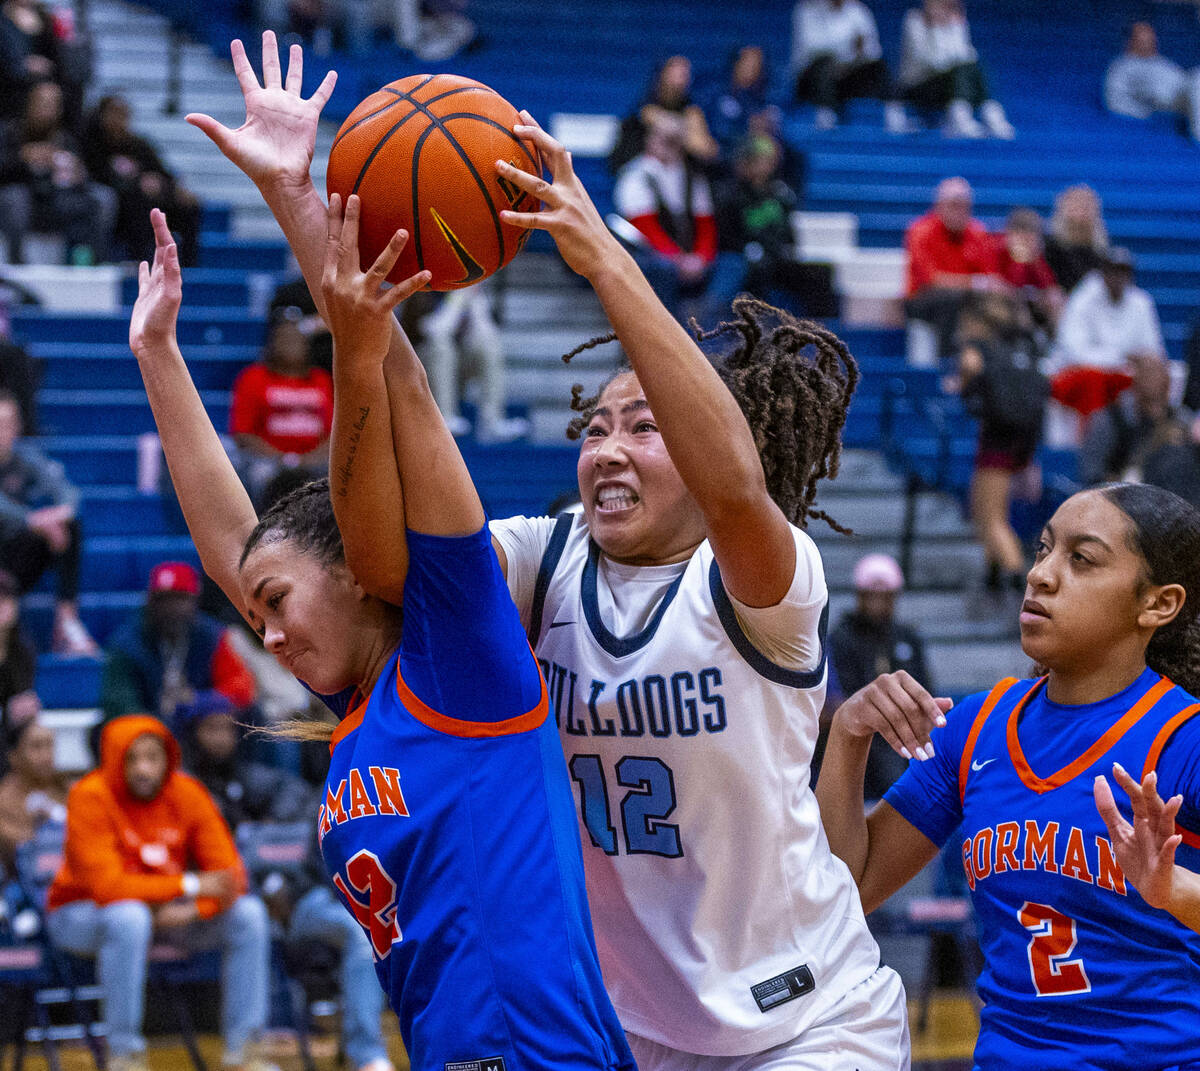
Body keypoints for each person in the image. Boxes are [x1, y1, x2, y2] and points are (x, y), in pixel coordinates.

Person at [188, 33, 906, 1068]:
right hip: (624, 1033)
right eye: (596, 427)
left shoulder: (762, 580)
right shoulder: (547, 558)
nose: (608, 448)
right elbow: (393, 502)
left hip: (807, 1021)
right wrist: (304, 207)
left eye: (644, 426)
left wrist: (600, 253)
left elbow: (735, 484)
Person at [136, 33, 639, 1069]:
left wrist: (301, 207)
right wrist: (156, 355)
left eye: (274, 602)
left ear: (356, 572)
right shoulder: (354, 705)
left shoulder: (459, 657)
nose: (261, 627)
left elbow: (402, 397)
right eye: (257, 610)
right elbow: (233, 539)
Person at [817, 482, 1200, 1069]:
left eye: (1082, 559)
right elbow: (851, 886)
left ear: (1158, 604)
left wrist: (1174, 892)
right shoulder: (976, 729)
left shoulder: (1185, 738)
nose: (1041, 574)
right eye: (1044, 549)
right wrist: (846, 737)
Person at [47, 715, 275, 1071]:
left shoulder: (187, 792)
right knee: (129, 917)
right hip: (80, 913)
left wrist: (195, 909)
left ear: (168, 758)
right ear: (113, 759)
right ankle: (125, 1055)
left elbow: (231, 876)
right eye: (132, 759)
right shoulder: (88, 796)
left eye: (152, 758)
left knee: (248, 914)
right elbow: (109, 888)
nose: (143, 769)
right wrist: (189, 886)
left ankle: (245, 1051)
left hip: (170, 913)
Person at [954, 290, 1049, 608]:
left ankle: (1024, 589)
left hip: (995, 441)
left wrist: (964, 383)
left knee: (993, 519)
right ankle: (994, 578)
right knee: (984, 515)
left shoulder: (978, 351)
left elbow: (968, 390)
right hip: (1015, 441)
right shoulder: (1020, 348)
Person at [98, 561, 257, 725]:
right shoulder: (127, 644)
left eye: (180, 599)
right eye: (164, 600)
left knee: (250, 717)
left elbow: (241, 690)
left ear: (195, 601)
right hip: (148, 727)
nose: (171, 608)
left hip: (199, 724)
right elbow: (119, 703)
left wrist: (197, 702)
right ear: (150, 601)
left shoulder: (212, 636)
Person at [0, 388, 96, 656]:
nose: (1, 431)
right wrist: (34, 520)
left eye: (7, 424)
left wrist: (60, 513)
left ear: (17, 427)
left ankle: (67, 620)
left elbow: (68, 491)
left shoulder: (25, 458)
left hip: (14, 558)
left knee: (70, 527)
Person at [829, 554, 931, 800]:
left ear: (894, 597)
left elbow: (926, 690)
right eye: (871, 595)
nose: (878, 602)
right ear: (859, 595)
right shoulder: (841, 637)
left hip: (904, 739)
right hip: (860, 736)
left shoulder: (908, 637)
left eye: (885, 596)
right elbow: (836, 700)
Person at [612, 113, 728, 325]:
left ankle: (710, 333)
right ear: (650, 139)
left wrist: (701, 257)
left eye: (674, 139)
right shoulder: (638, 173)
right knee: (662, 269)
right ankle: (665, 328)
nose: (669, 144)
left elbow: (706, 225)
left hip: (689, 256)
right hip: (648, 254)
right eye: (663, 137)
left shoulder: (691, 176)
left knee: (730, 265)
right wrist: (679, 260)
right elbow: (644, 227)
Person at [715, 132, 836, 317]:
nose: (766, 165)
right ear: (746, 161)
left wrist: (787, 249)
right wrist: (749, 249)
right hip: (747, 260)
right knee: (756, 271)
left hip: (777, 257)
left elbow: (789, 234)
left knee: (820, 273)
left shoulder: (780, 193)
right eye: (760, 160)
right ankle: (753, 331)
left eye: (769, 161)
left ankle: (818, 334)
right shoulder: (730, 194)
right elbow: (726, 237)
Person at [229, 305, 334, 509]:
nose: (290, 344)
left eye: (295, 339)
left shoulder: (321, 379)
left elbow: (334, 434)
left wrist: (305, 461)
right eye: (284, 339)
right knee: (259, 473)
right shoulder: (253, 377)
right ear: (272, 343)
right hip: (267, 461)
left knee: (341, 474)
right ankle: (258, 529)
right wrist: (285, 460)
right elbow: (243, 435)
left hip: (315, 461)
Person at [0, 79, 115, 265]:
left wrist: (77, 173)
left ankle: (93, 264)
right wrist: (23, 158)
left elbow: (84, 177)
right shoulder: (10, 132)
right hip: (21, 197)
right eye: (43, 103)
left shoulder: (65, 139)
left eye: (54, 105)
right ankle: (17, 265)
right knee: (16, 199)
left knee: (102, 197)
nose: (48, 110)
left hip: (56, 199)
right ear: (30, 104)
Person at [82, 94, 202, 267]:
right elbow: (97, 177)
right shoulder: (92, 145)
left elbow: (164, 173)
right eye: (114, 113)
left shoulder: (138, 144)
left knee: (189, 205)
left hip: (151, 200)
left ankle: (189, 266)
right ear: (101, 116)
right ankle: (140, 260)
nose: (118, 120)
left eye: (123, 114)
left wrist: (173, 188)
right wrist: (139, 182)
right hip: (121, 206)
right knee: (138, 201)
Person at [1051, 247, 1165, 423]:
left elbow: (1153, 350)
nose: (1117, 278)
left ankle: (1153, 437)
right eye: (1112, 272)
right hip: (1078, 376)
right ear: (1102, 273)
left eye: (1122, 273)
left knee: (1155, 377)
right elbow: (1075, 352)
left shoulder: (1141, 303)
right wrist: (1122, 357)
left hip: (1123, 376)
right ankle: (1094, 440)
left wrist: (1140, 362)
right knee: (1094, 378)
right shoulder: (1083, 299)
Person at [176, 690, 313, 829]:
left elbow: (292, 787)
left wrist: (272, 821)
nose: (222, 738)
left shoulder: (240, 772)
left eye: (228, 729)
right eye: (212, 728)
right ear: (193, 732)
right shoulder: (182, 779)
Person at [413, 283, 530, 442]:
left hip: (459, 364)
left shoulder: (471, 290)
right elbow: (435, 331)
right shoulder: (423, 289)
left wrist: (475, 302)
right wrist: (456, 300)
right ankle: (445, 417)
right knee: (442, 346)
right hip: (422, 364)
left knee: (489, 344)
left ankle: (492, 422)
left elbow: (488, 333)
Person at [904, 176, 999, 361]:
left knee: (999, 303)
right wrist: (974, 283)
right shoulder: (920, 231)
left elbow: (990, 277)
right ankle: (946, 363)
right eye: (954, 205)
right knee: (950, 299)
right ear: (939, 205)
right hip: (923, 299)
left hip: (966, 297)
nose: (960, 212)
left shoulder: (977, 232)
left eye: (965, 206)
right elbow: (932, 280)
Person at [790, 0, 913, 133]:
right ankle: (825, 117)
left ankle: (896, 117)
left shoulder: (857, 10)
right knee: (824, 64)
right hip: (811, 78)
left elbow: (872, 50)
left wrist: (849, 61)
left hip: (847, 74)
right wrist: (848, 49)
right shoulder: (807, 9)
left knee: (878, 65)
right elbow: (812, 46)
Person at [897, 0, 1014, 138]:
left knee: (973, 68)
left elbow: (968, 56)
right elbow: (930, 61)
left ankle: (989, 114)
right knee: (962, 70)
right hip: (919, 87)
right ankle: (962, 117)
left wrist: (954, 26)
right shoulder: (914, 20)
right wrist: (936, 27)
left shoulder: (955, 21)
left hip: (950, 85)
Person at [609, 55, 720, 175]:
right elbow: (653, 117)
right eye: (677, 72)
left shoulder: (691, 108)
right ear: (663, 74)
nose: (682, 78)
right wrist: (685, 129)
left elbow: (705, 149)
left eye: (685, 73)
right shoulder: (646, 106)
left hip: (678, 178)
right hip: (640, 173)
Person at [1105, 22, 1200, 142]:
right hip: (1167, 100)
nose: (1150, 40)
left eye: (1151, 36)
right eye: (1143, 36)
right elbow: (1114, 100)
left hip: (1187, 93)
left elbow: (1183, 80)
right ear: (1131, 40)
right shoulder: (1122, 65)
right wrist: (1144, 113)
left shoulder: (1161, 61)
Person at [0, 702, 64, 877]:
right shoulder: (3, 801)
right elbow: (20, 851)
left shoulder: (69, 791)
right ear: (13, 756)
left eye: (49, 745)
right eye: (36, 747)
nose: (46, 756)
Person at [989, 208, 1062, 328]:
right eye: (1021, 234)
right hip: (1005, 299)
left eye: (1031, 235)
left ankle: (1057, 340)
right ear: (1010, 233)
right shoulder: (999, 251)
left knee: (1055, 298)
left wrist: (1035, 261)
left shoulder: (1037, 256)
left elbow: (1047, 284)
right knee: (1011, 299)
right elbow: (1011, 283)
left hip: (1030, 300)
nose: (1026, 241)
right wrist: (1020, 258)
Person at [1043, 184, 1108, 294]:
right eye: (1076, 204)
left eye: (1086, 205)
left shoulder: (1100, 253)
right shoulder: (1047, 246)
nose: (1081, 210)